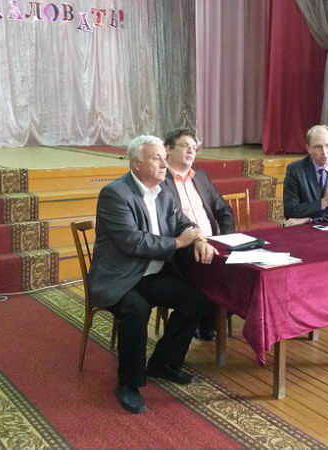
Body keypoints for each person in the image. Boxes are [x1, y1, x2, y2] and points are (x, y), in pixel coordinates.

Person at [88, 135, 219, 414]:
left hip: (150, 273)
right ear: (137, 164)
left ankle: (163, 363)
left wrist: (198, 239)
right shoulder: (115, 194)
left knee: (196, 299)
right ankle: (128, 383)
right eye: (157, 158)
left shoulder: (163, 191)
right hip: (120, 277)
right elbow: (133, 241)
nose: (163, 164)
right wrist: (179, 243)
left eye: (164, 158)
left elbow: (183, 222)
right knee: (136, 309)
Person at [162, 128, 234, 341]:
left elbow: (224, 210)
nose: (191, 151)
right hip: (182, 247)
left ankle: (209, 318)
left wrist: (227, 239)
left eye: (194, 148)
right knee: (213, 274)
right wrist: (195, 241)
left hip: (214, 242)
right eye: (185, 146)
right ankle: (203, 319)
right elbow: (169, 221)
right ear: (168, 149)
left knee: (240, 273)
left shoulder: (201, 177)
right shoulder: (161, 180)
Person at [282, 125, 328, 226]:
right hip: (302, 229)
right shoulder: (295, 170)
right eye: (318, 147)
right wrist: (323, 202)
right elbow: (290, 210)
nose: (324, 152)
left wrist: (310, 219)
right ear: (308, 148)